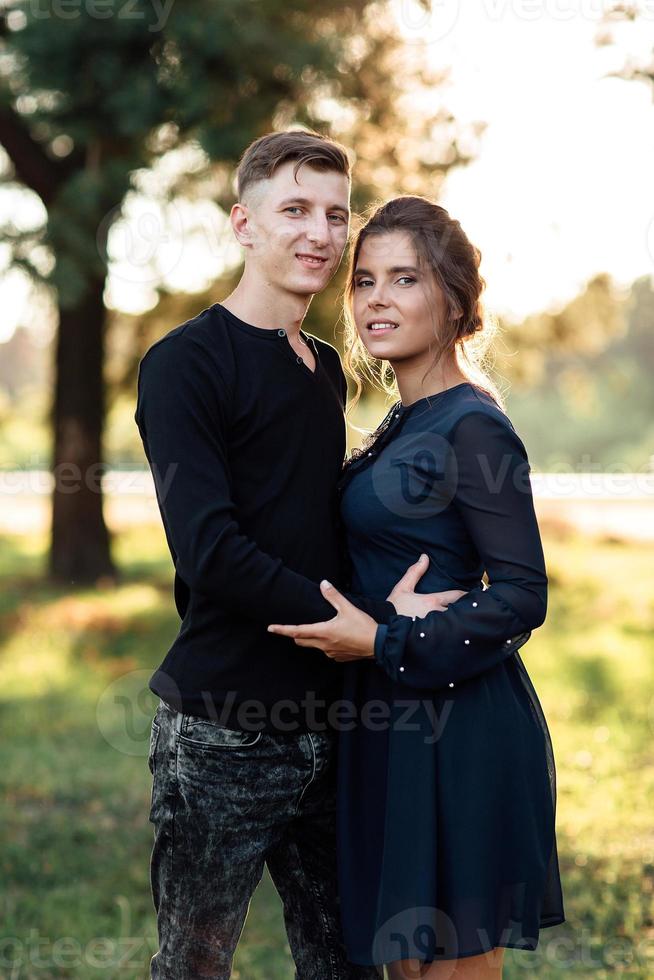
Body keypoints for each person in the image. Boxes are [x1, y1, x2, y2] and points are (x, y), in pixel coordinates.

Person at [134, 132, 461, 980]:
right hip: (223, 730)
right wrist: (362, 622)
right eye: (294, 211)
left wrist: (393, 611)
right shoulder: (183, 365)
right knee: (193, 969)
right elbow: (211, 551)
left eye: (334, 215)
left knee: (348, 964)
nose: (319, 232)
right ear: (244, 224)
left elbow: (320, 532)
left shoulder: (323, 371)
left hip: (335, 723)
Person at [268, 196, 566, 978]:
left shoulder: (473, 425)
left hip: (460, 729)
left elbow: (523, 594)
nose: (376, 299)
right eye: (364, 280)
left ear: (455, 301)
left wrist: (384, 638)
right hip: (387, 726)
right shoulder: (400, 423)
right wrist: (374, 620)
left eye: (404, 279)